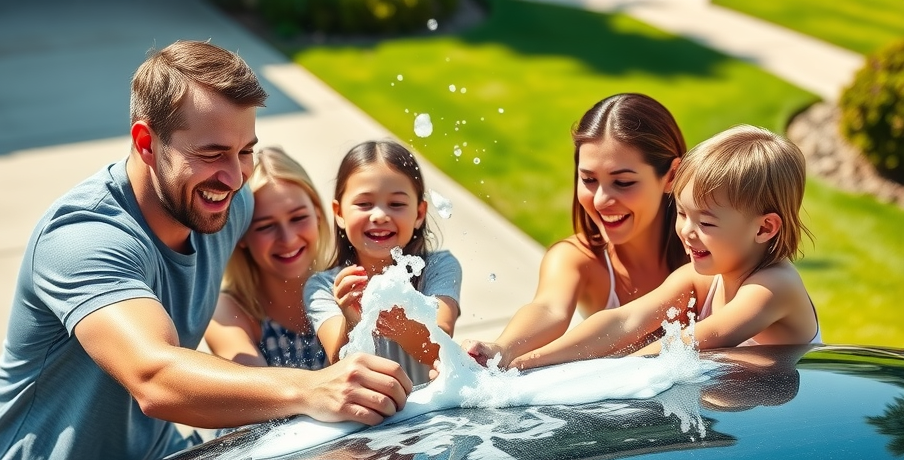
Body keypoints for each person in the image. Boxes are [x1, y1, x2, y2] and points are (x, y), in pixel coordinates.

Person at [0, 41, 411, 460]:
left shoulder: (228, 205)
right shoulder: (84, 239)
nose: (235, 177)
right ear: (146, 143)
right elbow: (155, 377)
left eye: (245, 151)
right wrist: (313, 389)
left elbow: (289, 256)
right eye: (211, 154)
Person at [510, 125, 822, 370]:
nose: (686, 231)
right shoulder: (701, 279)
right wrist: (530, 362)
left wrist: (605, 374)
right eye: (682, 213)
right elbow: (625, 321)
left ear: (764, 228)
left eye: (706, 223)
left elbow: (694, 342)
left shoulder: (774, 287)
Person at [464, 93, 688, 368]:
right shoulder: (576, 258)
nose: (600, 200)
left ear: (671, 176)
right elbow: (549, 309)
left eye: (623, 182)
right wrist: (501, 349)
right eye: (589, 179)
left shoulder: (706, 252)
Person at [304, 140, 462, 386]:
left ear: (419, 213)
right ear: (339, 213)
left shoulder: (437, 268)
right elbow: (338, 364)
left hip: (430, 407)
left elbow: (440, 349)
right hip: (367, 407)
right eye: (364, 204)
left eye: (396, 204)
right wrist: (352, 321)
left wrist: (399, 323)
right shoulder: (326, 287)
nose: (379, 215)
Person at [204, 146, 330, 370]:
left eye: (298, 217)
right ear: (241, 234)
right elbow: (255, 386)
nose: (288, 239)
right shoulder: (226, 312)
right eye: (266, 226)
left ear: (318, 214)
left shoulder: (345, 285)